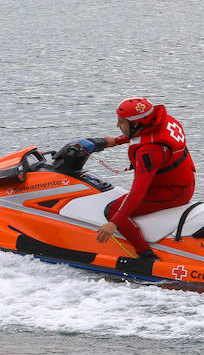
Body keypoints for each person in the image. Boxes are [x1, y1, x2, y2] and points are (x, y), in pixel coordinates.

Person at [71, 97, 195, 261]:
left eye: (121, 122)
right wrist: (116, 141)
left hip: (173, 192)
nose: (117, 125)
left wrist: (114, 223)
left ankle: (146, 255)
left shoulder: (148, 153)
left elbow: (138, 192)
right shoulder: (163, 121)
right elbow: (148, 133)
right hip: (183, 183)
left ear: (136, 123)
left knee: (114, 210)